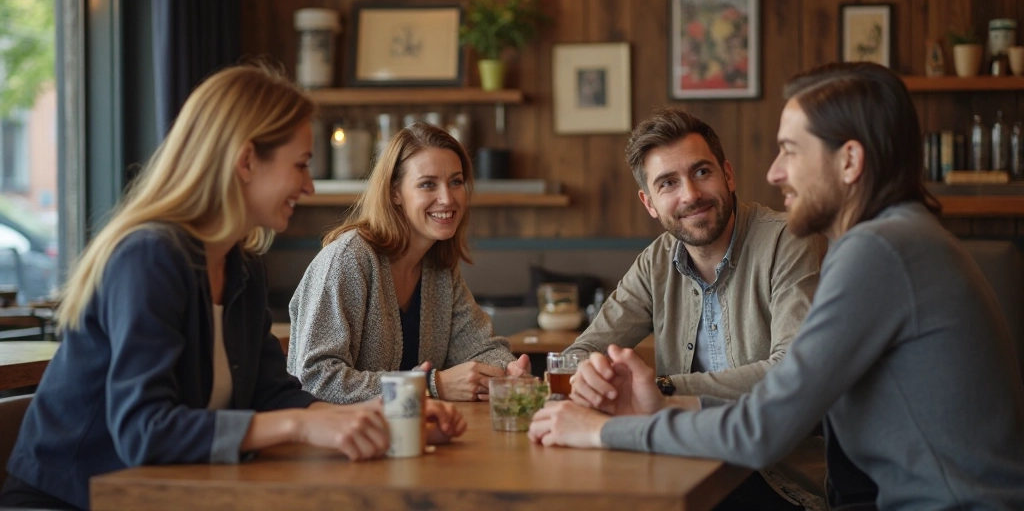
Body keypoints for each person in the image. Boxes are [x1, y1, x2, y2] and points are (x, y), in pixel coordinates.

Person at [529, 62, 1024, 510]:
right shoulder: (899, 237)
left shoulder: (878, 250)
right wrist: (652, 405)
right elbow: (783, 410)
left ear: (849, 161)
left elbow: (763, 428)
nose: (774, 172)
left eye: (790, 150)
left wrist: (606, 431)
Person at [0, 64, 465, 511]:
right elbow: (144, 430)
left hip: (167, 495)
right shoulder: (150, 257)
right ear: (246, 161)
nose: (309, 186)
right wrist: (299, 427)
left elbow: (275, 395)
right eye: (301, 165)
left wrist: (390, 416)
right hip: (72, 501)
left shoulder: (242, 266)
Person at [564, 108, 828, 510]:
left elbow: (791, 373)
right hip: (685, 467)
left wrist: (663, 390)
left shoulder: (790, 241)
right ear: (650, 203)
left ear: (728, 175)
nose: (690, 195)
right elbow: (583, 351)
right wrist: (589, 376)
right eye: (668, 183)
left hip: (778, 480)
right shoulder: (655, 262)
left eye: (701, 172)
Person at [288, 123, 530, 403]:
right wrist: (429, 385)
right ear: (395, 192)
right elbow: (315, 378)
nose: (447, 198)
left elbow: (481, 348)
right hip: (335, 430)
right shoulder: (349, 258)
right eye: (428, 184)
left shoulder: (439, 267)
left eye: (456, 182)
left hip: (411, 427)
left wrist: (507, 371)